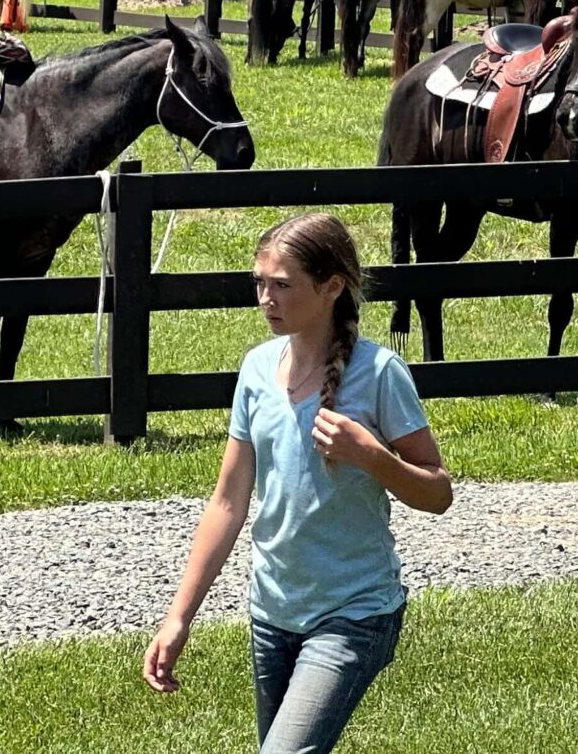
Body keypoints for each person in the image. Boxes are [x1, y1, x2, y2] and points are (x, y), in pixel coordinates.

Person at [146, 213, 453, 753]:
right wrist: (178, 618)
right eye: (260, 283)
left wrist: (372, 457)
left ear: (332, 286)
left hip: (355, 613)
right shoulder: (257, 369)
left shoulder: (379, 374)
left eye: (282, 285)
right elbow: (226, 503)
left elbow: (438, 492)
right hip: (272, 613)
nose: (266, 298)